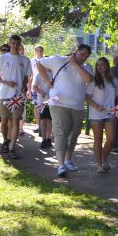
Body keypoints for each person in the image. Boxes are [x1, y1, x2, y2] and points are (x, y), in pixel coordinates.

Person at [37, 44, 94, 177]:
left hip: (78, 106)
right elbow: (40, 63)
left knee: (74, 134)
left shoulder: (87, 68)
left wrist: (75, 65)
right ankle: (61, 165)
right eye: (82, 54)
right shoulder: (59, 60)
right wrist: (48, 82)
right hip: (59, 104)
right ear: (76, 51)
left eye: (86, 56)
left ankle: (68, 160)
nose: (84, 58)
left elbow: (88, 79)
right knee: (61, 133)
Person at [0, 35, 33, 158]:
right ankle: (6, 141)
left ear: (20, 44)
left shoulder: (25, 60)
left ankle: (12, 148)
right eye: (13, 43)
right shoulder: (3, 58)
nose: (15, 45)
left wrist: (25, 86)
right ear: (9, 44)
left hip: (18, 96)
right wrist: (6, 82)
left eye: (17, 43)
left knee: (16, 121)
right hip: (5, 94)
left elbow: (27, 76)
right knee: (4, 121)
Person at [86, 57, 118, 172]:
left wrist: (117, 106)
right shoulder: (93, 80)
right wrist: (97, 106)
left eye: (102, 64)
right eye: (97, 65)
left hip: (111, 113)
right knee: (98, 139)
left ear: (107, 66)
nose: (99, 67)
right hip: (96, 113)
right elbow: (87, 98)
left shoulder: (114, 80)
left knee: (111, 138)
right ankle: (99, 165)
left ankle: (103, 159)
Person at [31, 61, 53, 150]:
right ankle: (43, 138)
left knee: (50, 120)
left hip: (52, 100)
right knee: (43, 120)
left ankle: (48, 138)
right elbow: (34, 87)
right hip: (42, 101)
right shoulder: (38, 74)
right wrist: (43, 93)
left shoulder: (54, 73)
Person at [29, 45, 45, 129]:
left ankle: (45, 125)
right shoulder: (32, 61)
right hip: (34, 86)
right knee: (36, 106)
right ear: (35, 51)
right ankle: (38, 125)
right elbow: (30, 75)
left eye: (41, 50)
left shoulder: (46, 60)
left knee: (45, 106)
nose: (39, 52)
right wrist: (28, 89)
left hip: (44, 86)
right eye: (38, 50)